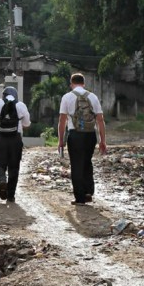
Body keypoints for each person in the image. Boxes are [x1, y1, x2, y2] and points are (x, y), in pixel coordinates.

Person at [58, 73, 107, 205]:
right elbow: (100, 120)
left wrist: (61, 140)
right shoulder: (92, 96)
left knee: (76, 165)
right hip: (90, 135)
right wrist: (103, 141)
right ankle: (88, 192)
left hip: (75, 135)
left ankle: (79, 198)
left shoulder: (67, 97)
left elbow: (62, 120)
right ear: (84, 83)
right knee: (87, 162)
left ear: (71, 84)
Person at [0, 86, 31, 202]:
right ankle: (10, 196)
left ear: (3, 95)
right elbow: (26, 124)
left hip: (0, 138)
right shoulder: (21, 105)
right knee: (14, 167)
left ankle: (2, 179)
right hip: (16, 139)